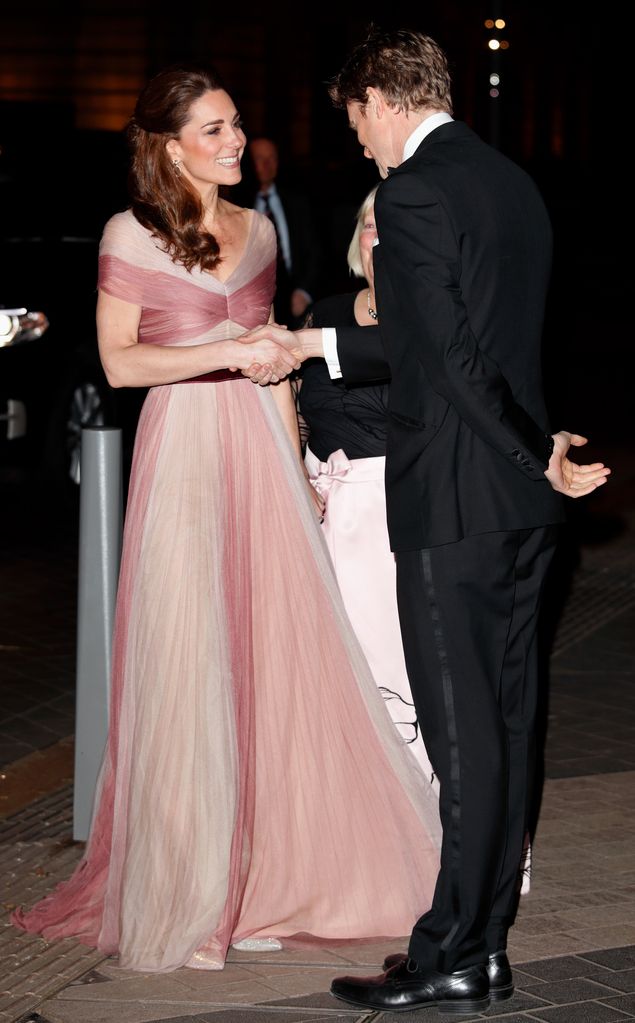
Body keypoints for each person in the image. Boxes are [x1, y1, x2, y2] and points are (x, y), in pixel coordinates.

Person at [11, 62, 443, 974]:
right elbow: (122, 366)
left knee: (265, 663)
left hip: (257, 446)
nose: (234, 140)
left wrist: (295, 462)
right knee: (190, 662)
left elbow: (278, 366)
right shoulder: (130, 234)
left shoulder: (255, 232)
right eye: (212, 129)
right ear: (168, 146)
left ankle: (255, 881)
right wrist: (219, 348)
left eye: (236, 124)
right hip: (185, 449)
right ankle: (191, 888)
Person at [240, 27, 611, 1014]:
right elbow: (476, 340)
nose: (357, 140)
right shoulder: (508, 183)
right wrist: (537, 454)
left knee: (462, 741)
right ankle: (474, 947)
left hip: (455, 502)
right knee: (506, 725)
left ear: (380, 97)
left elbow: (437, 359)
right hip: (519, 510)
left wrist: (529, 451)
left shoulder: (410, 191)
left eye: (355, 116)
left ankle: (453, 948)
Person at [298, 183, 435, 784]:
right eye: (371, 225)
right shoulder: (323, 313)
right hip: (319, 511)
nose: (380, 237)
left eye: (394, 227)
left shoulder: (433, 320)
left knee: (398, 667)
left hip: (392, 519)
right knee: (322, 672)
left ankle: (431, 830)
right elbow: (294, 402)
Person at [246, 137, 322, 325]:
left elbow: (317, 250)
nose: (267, 164)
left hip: (296, 298)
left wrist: (305, 291)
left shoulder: (298, 201)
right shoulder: (237, 206)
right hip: (252, 302)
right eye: (259, 158)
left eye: (272, 158)